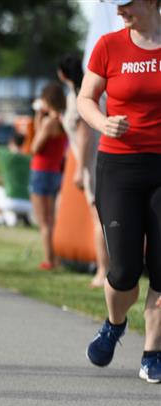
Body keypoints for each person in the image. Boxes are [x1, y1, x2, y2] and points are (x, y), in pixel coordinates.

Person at [77, 0, 161, 383]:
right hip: (119, 166)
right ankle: (115, 323)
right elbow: (85, 98)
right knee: (124, 270)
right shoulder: (109, 45)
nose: (120, 11)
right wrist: (103, 122)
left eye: (126, 4)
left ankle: (152, 352)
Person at [57, 52, 108, 287]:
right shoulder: (96, 92)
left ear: (62, 74)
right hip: (103, 159)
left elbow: (84, 134)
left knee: (99, 220)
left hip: (93, 164)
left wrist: (80, 169)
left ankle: (103, 270)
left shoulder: (78, 97)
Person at [29, 82, 68, 270]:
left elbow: (35, 147)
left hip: (41, 172)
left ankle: (49, 259)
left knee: (44, 222)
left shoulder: (49, 122)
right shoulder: (62, 120)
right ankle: (56, 257)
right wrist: (39, 119)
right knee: (52, 219)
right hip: (55, 172)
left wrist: (40, 122)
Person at [0, 114, 32, 227]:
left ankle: (0, 219)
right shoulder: (29, 158)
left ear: (11, 141)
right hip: (28, 203)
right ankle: (23, 216)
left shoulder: (6, 155)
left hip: (11, 202)